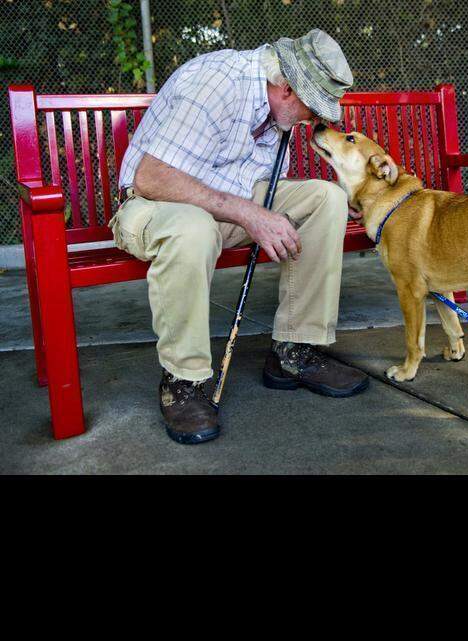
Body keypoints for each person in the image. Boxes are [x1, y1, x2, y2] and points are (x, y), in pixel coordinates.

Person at [110, 29, 369, 445]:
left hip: (223, 203)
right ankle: (183, 382)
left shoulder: (277, 109)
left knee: (326, 199)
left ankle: (294, 352)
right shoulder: (216, 82)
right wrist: (249, 213)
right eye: (311, 107)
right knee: (191, 228)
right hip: (154, 204)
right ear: (286, 87)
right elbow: (152, 177)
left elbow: (260, 188)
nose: (313, 120)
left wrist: (259, 211)